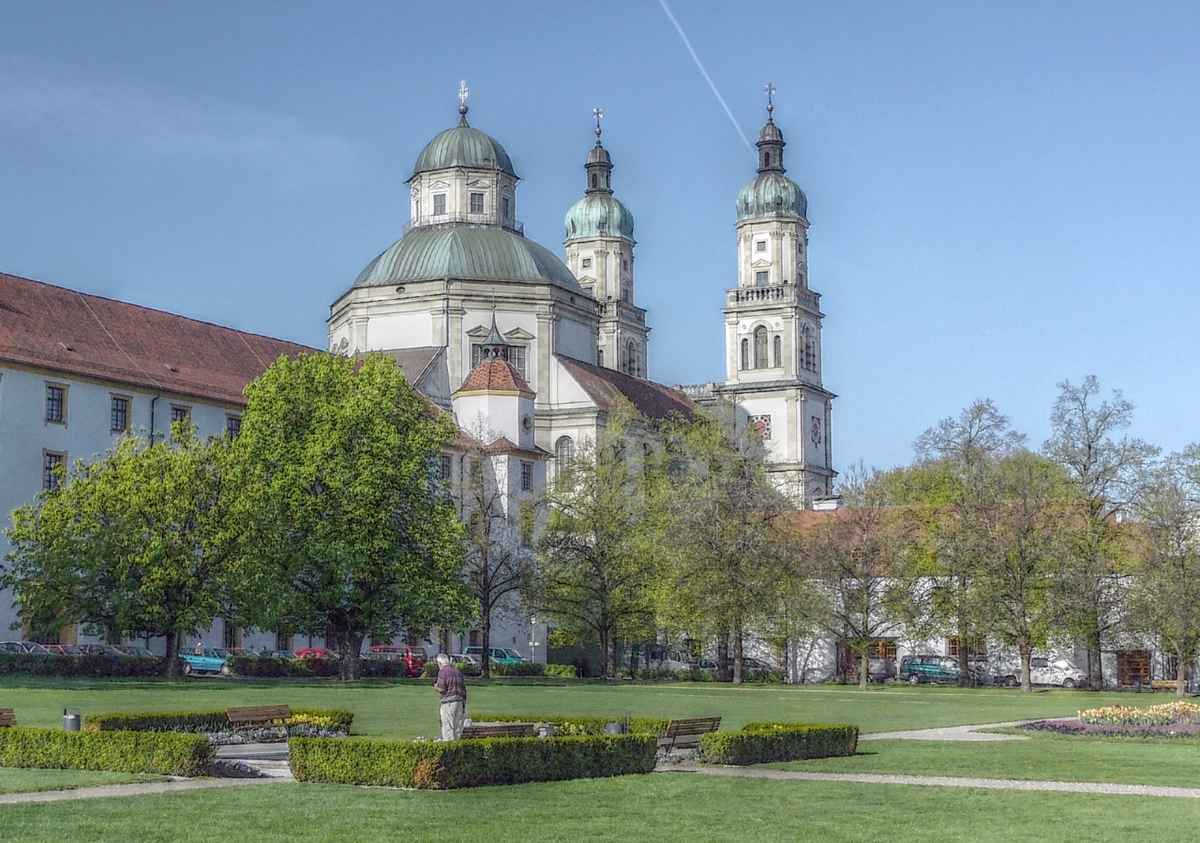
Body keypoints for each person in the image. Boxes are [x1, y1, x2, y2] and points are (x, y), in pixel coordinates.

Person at [433, 653, 467, 740]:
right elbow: (464, 689)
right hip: (459, 702)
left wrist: (435, 687)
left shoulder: (442, 672)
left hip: (448, 703)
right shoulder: (457, 671)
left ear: (440, 663)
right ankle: (456, 749)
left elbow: (442, 689)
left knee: (448, 728)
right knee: (457, 729)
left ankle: (449, 749)